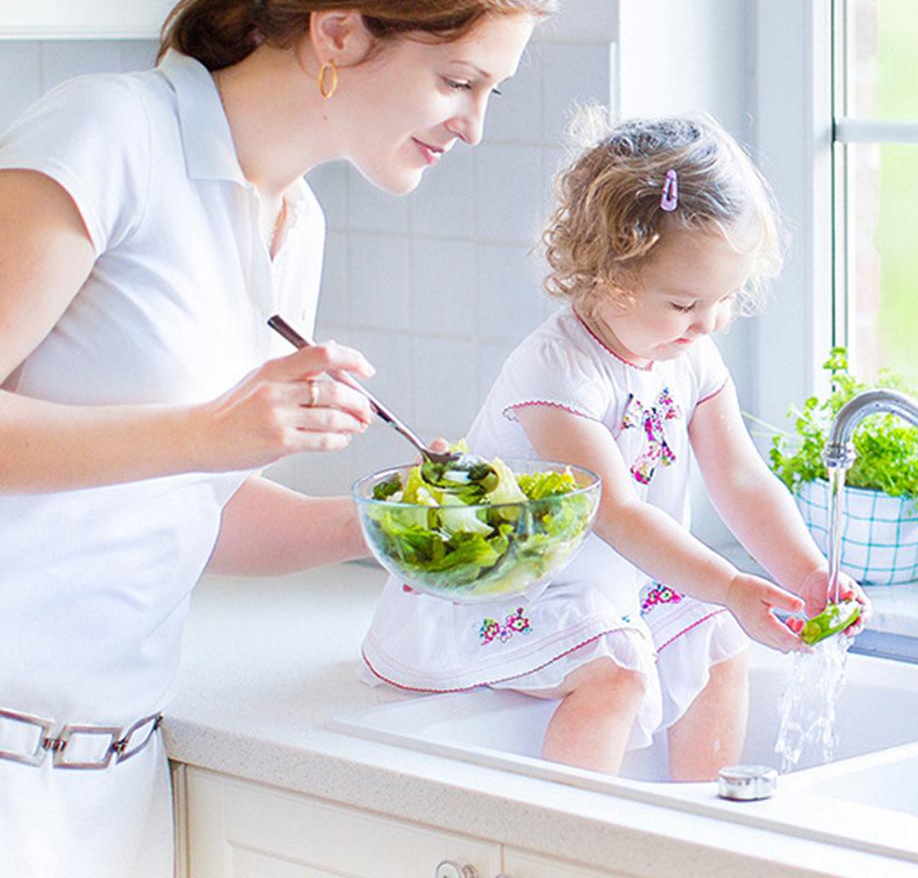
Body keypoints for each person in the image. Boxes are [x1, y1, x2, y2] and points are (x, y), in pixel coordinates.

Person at [0, 0, 556, 877]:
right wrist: (210, 431)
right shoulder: (109, 134)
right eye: (456, 81)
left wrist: (401, 526)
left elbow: (195, 506)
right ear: (339, 33)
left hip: (112, 775)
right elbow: (192, 445)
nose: (473, 125)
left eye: (490, 91)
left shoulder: (296, 223)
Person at [362, 111, 871, 780]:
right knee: (616, 671)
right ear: (606, 273)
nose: (709, 322)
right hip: (521, 594)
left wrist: (805, 573)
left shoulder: (690, 355)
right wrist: (728, 585)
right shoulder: (556, 371)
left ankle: (693, 825)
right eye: (685, 303)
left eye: (725, 298)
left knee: (718, 641)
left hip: (615, 587)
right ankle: (574, 831)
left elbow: (741, 478)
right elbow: (618, 512)